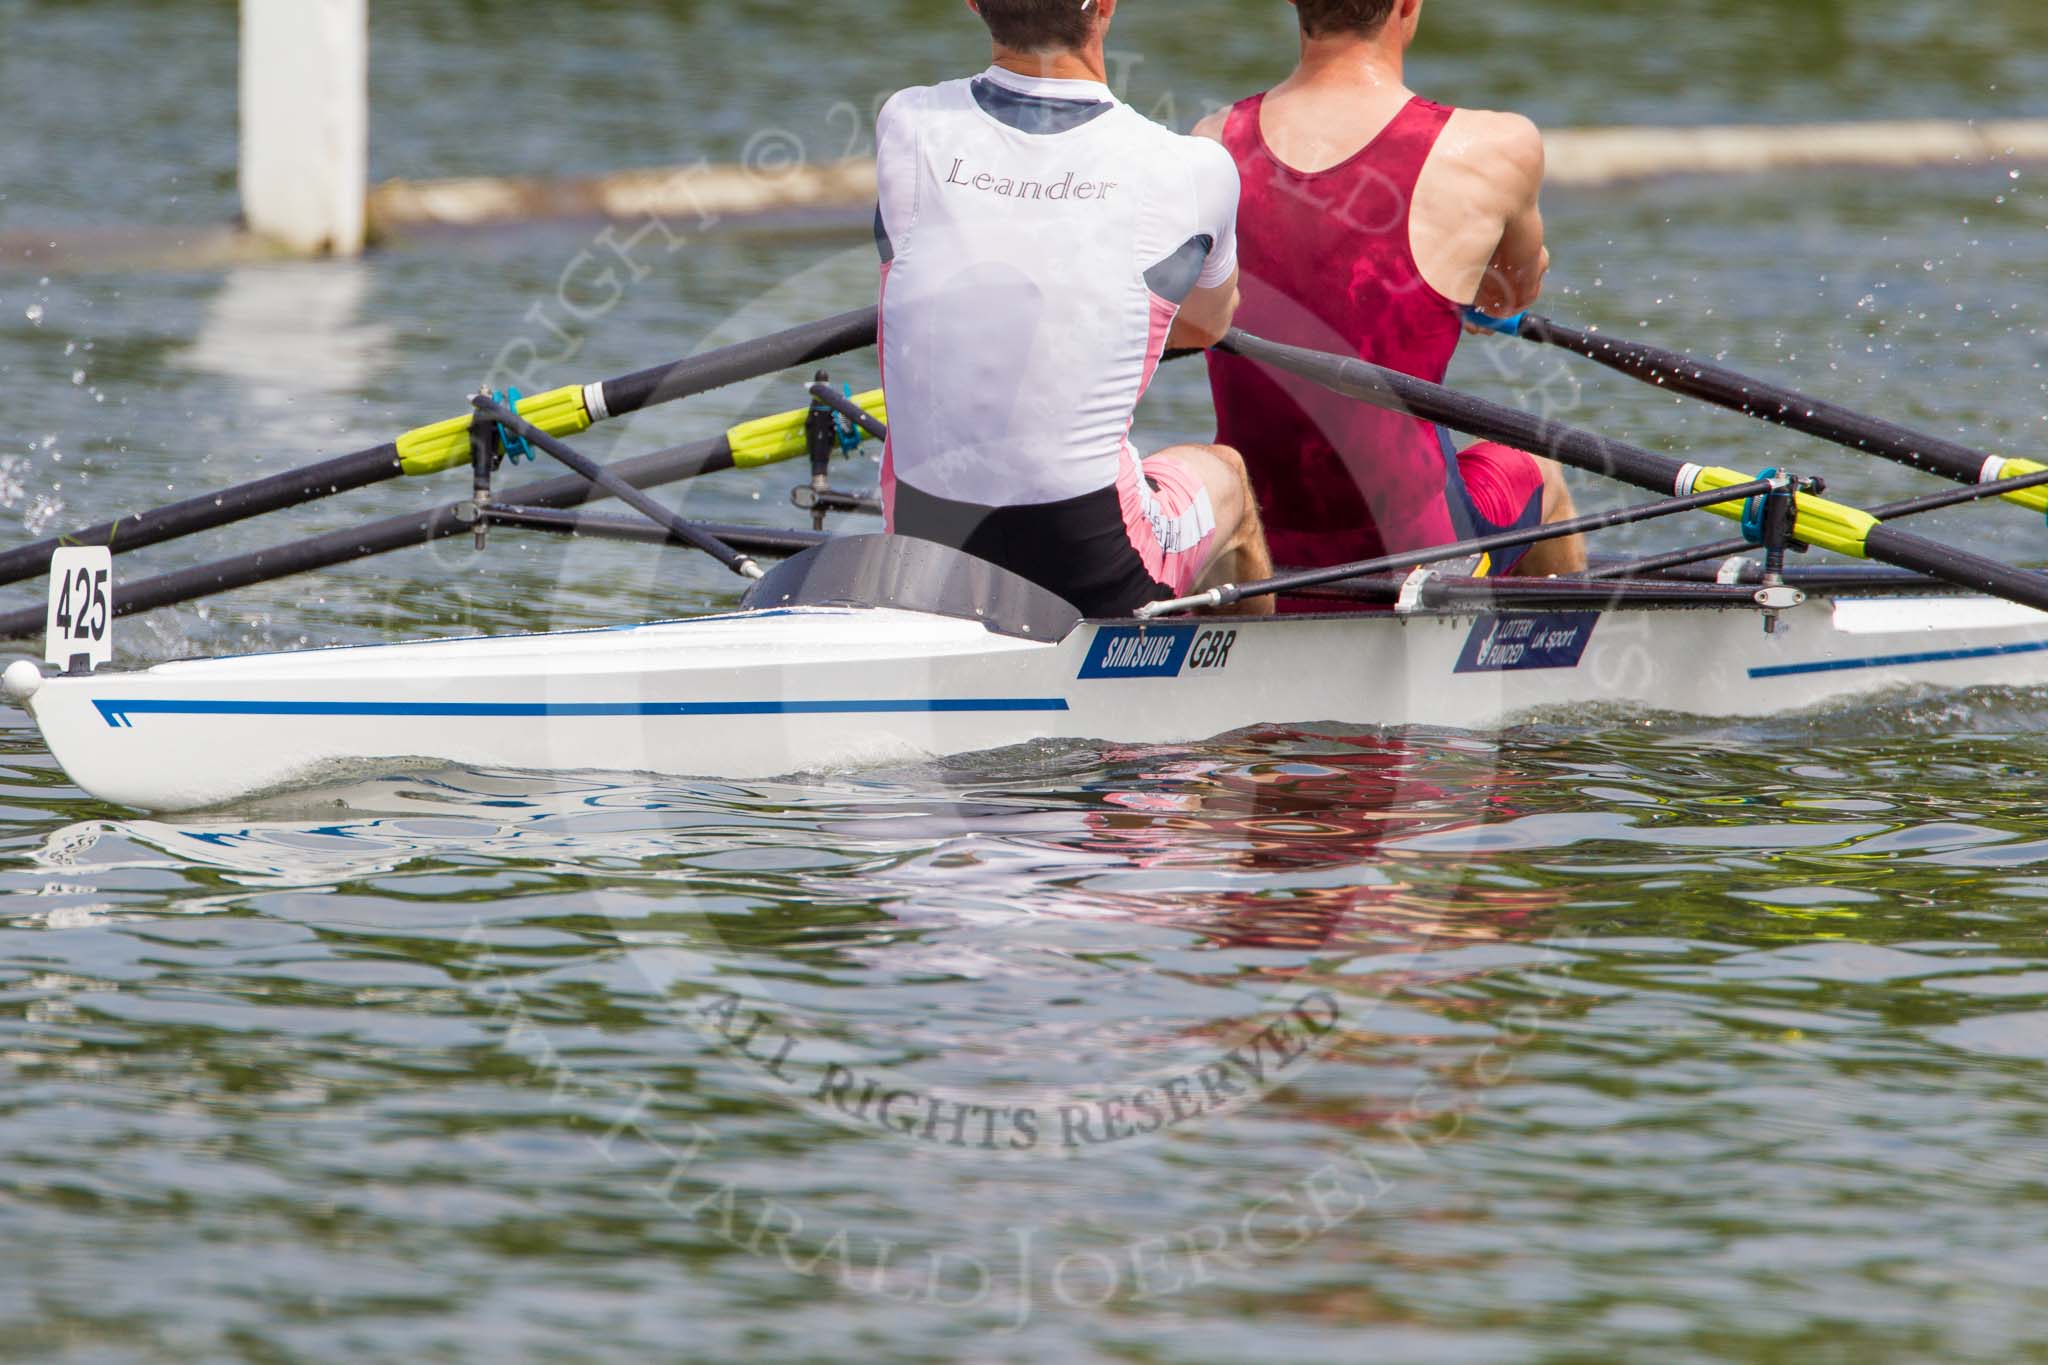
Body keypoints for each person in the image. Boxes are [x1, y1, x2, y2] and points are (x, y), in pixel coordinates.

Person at [874, 0, 1274, 617]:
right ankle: (1250, 693)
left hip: (924, 547)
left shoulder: (906, 122)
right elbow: (1207, 325)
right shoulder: (1194, 168)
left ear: (975, 4)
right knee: (1229, 477)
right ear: (1106, 6)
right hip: (1088, 563)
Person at [1198, 0, 1586, 595]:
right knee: (1540, 467)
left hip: (1254, 550)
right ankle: (1551, 667)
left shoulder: (1209, 142)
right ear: (1407, 5)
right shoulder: (1497, 148)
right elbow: (1510, 296)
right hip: (1415, 558)